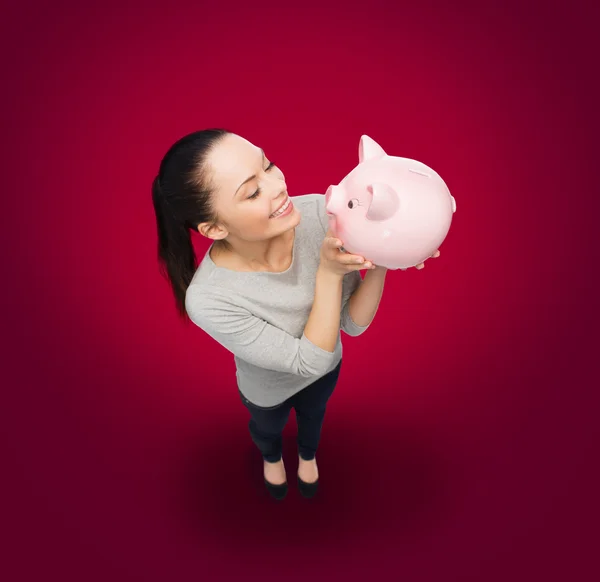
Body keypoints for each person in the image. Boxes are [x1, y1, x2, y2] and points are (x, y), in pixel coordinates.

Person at [151, 128, 436, 500]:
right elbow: (308, 360)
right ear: (215, 228)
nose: (277, 186)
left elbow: (352, 324)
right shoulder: (208, 299)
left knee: (313, 420)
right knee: (267, 428)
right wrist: (329, 272)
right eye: (252, 191)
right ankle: (270, 457)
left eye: (268, 165)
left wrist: (385, 256)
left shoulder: (322, 213)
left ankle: (307, 456)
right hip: (265, 391)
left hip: (328, 370)